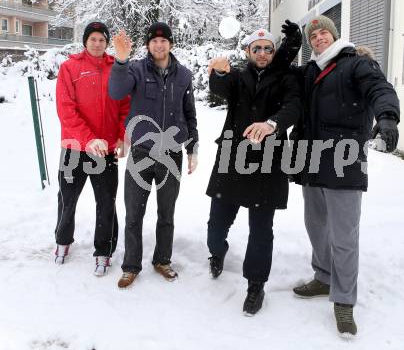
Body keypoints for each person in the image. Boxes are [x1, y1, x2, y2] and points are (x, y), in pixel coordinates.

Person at [290, 15, 400, 335]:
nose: (319, 38)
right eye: (313, 35)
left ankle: (344, 301)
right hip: (312, 161)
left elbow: (380, 89)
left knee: (343, 236)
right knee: (316, 226)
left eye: (324, 32)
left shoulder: (356, 64)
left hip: (344, 162)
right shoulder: (310, 70)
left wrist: (388, 118)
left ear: (334, 35)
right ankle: (324, 277)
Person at [206, 26, 302, 316]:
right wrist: (219, 73)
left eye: (268, 48)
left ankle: (256, 285)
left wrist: (271, 124)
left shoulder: (286, 77)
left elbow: (293, 107)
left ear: (274, 52)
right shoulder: (237, 76)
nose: (262, 53)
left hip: (269, 165)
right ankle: (218, 251)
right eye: (256, 48)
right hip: (232, 160)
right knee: (216, 226)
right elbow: (219, 89)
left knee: (261, 231)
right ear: (248, 52)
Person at [109, 22, 199, 288]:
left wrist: (193, 147)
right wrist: (121, 60)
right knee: (134, 214)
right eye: (154, 41)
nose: (159, 45)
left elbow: (190, 113)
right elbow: (116, 91)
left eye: (164, 40)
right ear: (148, 45)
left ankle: (163, 259)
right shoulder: (136, 69)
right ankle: (131, 266)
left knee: (166, 213)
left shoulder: (183, 75)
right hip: (142, 152)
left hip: (171, 155)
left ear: (170, 44)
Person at [55, 21, 130, 276]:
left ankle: (104, 251)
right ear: (85, 41)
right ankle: (63, 240)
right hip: (75, 147)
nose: (97, 44)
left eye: (102, 40)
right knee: (67, 198)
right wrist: (88, 139)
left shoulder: (116, 69)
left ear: (107, 43)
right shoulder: (70, 67)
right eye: (93, 39)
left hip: (106, 149)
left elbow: (125, 107)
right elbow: (66, 110)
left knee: (106, 202)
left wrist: (121, 137)